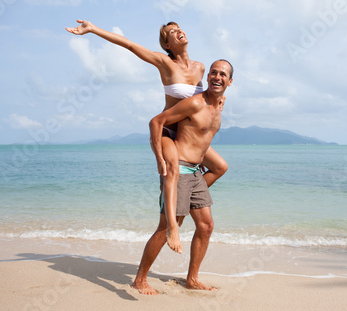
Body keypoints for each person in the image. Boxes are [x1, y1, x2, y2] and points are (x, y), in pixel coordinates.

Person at [66, 20, 228, 254]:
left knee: (220, 166)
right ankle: (173, 224)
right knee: (172, 168)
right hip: (166, 132)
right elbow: (130, 46)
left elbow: (207, 97)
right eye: (171, 32)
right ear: (167, 44)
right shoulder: (164, 62)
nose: (178, 31)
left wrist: (221, 100)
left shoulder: (201, 68)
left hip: (186, 134)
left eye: (179, 28)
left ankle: (185, 201)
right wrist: (93, 29)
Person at [131, 59, 233, 295]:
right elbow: (157, 121)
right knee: (165, 226)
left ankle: (192, 279)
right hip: (181, 169)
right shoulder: (194, 103)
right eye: (213, 73)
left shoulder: (219, 104)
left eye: (223, 74)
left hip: (197, 172)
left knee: (206, 226)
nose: (217, 77)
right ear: (207, 77)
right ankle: (140, 279)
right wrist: (159, 156)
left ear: (230, 81)